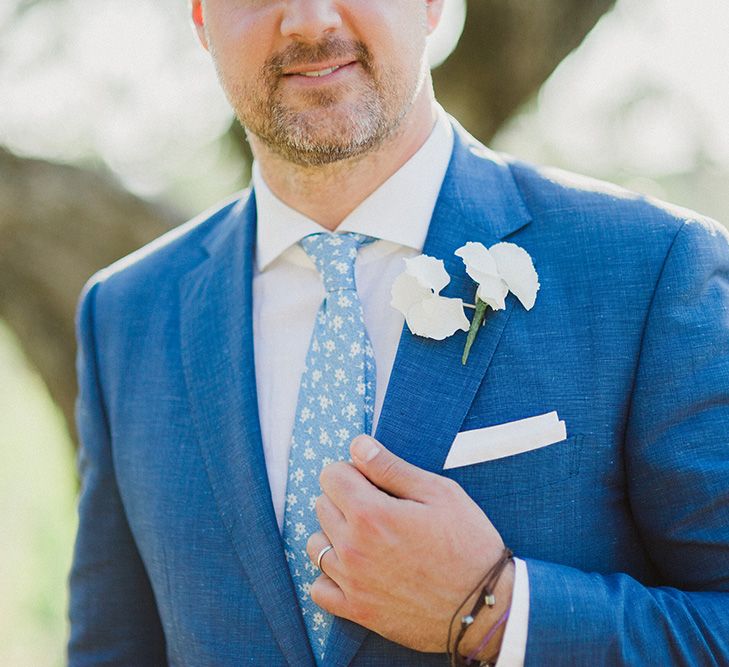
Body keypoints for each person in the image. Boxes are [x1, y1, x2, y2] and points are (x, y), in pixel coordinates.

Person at [67, 1, 729, 665]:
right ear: (202, 18)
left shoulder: (649, 267)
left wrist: (497, 608)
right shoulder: (125, 314)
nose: (307, 19)